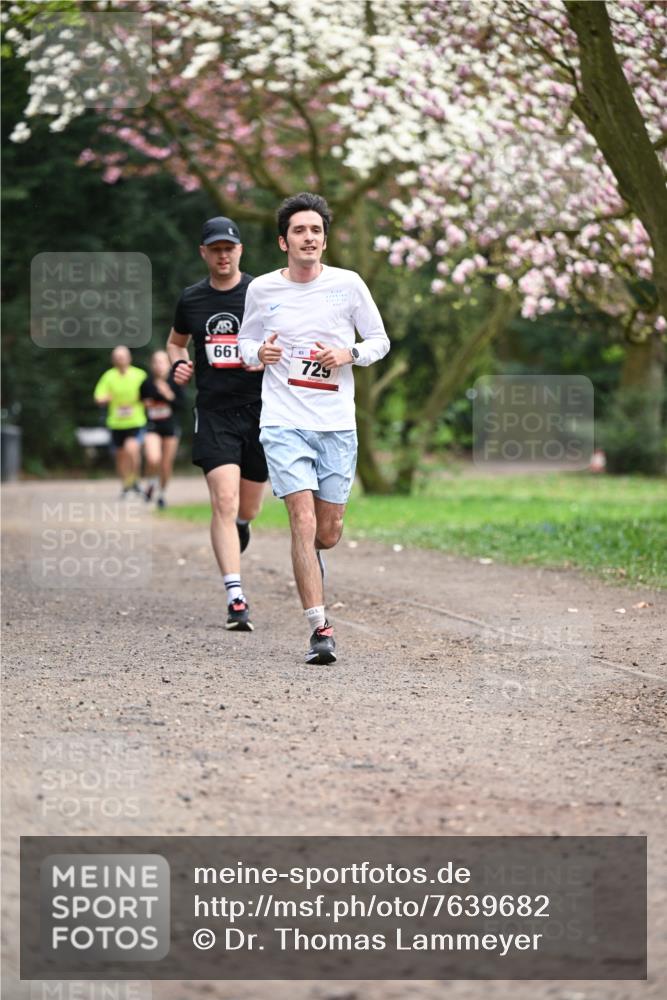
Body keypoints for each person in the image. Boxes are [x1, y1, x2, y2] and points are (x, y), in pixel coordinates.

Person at [238, 192, 390, 665]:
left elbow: (380, 341)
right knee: (301, 522)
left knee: (328, 531)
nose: (309, 238)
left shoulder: (349, 285)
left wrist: (351, 354)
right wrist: (255, 355)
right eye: (300, 231)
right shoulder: (262, 289)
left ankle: (315, 559)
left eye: (316, 231)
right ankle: (319, 628)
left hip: (336, 425)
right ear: (284, 241)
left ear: (325, 241)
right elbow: (245, 340)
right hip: (283, 421)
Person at [167, 216, 267, 632]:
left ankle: (241, 527)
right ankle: (236, 597)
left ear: (240, 251)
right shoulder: (191, 300)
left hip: (262, 412)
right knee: (222, 503)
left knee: (246, 509)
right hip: (213, 413)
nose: (223, 255)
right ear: (204, 253)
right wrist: (179, 364)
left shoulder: (262, 293)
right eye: (216, 248)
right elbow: (175, 342)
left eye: (230, 248)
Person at [93, 345, 147, 497]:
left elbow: (149, 394)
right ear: (113, 360)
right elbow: (98, 397)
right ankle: (126, 484)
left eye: (122, 357)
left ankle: (135, 479)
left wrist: (143, 399)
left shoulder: (140, 375)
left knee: (132, 450)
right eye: (117, 358)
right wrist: (107, 398)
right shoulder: (108, 376)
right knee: (120, 456)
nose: (120, 360)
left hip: (136, 422)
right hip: (116, 423)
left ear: (129, 358)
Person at [140, 350, 184, 509]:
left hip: (170, 427)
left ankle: (162, 493)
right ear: (152, 365)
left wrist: (168, 394)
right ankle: (151, 482)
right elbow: (141, 403)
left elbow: (182, 405)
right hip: (152, 426)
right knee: (153, 458)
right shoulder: (146, 383)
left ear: (169, 364)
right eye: (156, 362)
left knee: (166, 464)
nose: (159, 365)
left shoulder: (176, 382)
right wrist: (147, 404)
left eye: (162, 362)